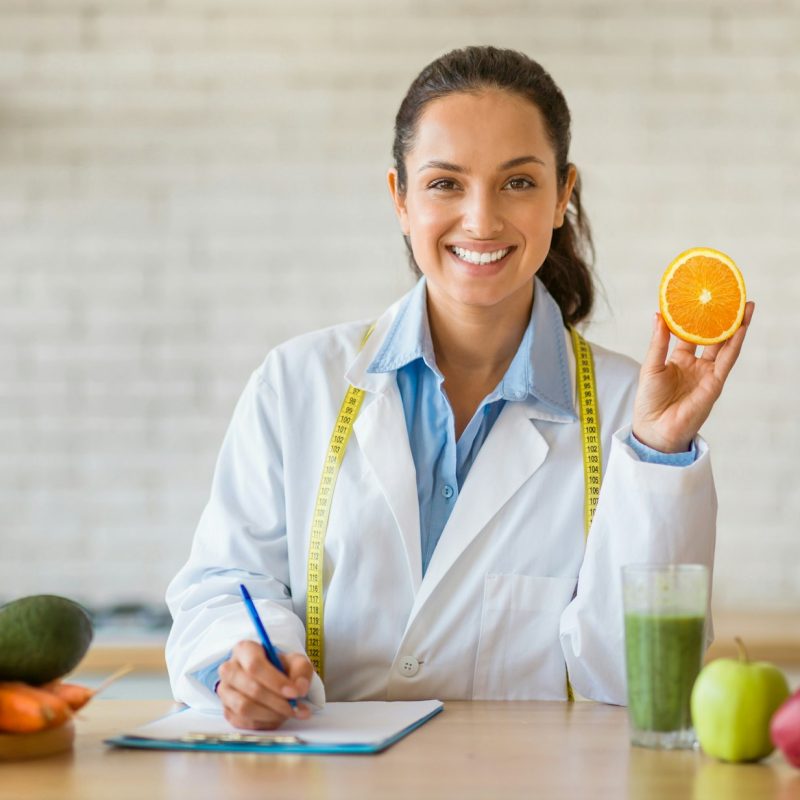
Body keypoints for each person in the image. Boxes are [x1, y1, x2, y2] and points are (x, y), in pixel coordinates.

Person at [165, 46, 754, 730]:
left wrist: (658, 451)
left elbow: (636, 679)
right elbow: (223, 586)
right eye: (446, 183)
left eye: (518, 183)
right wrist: (239, 664)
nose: (481, 220)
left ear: (563, 195)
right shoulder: (297, 383)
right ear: (400, 198)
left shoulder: (632, 411)